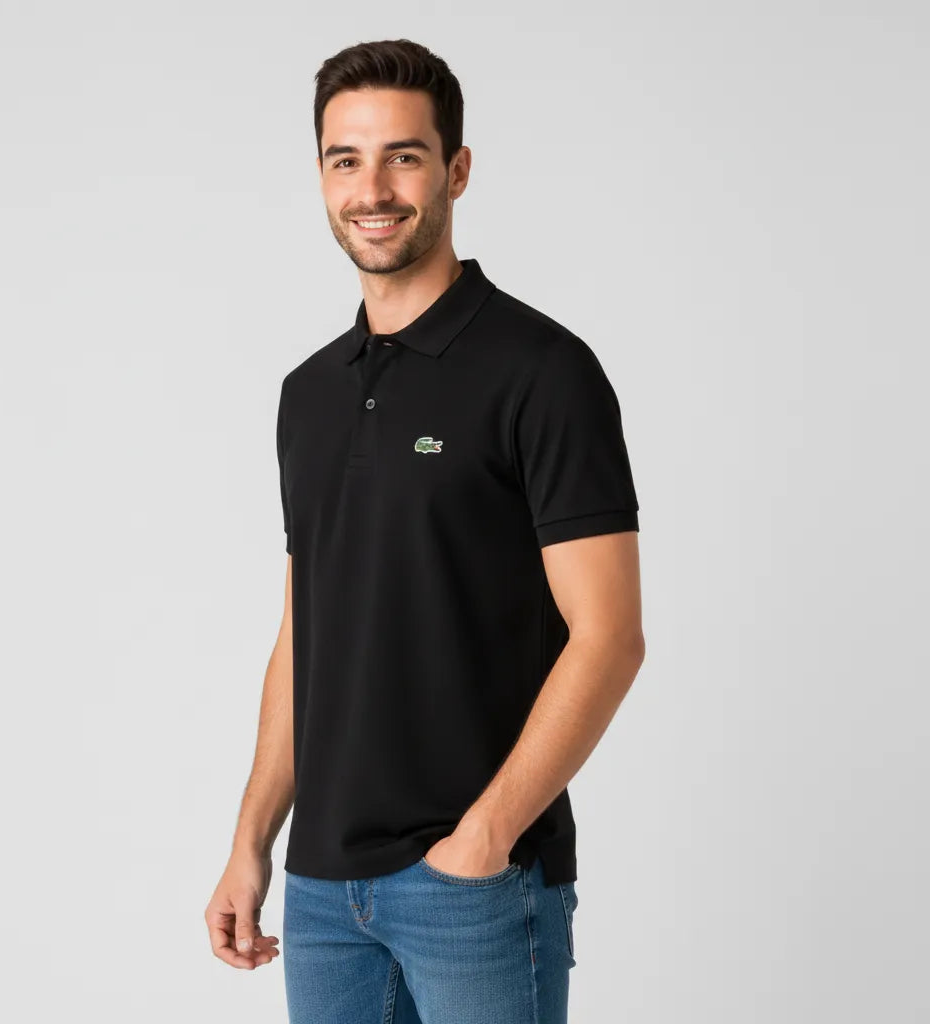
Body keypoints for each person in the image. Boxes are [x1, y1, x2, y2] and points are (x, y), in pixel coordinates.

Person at [205, 38, 646, 1023]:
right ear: (322, 175)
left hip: (476, 886)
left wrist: (484, 838)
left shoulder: (543, 371)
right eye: (345, 159)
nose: (372, 189)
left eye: (403, 156)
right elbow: (305, 633)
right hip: (322, 894)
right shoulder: (308, 394)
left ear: (456, 169)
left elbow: (610, 635)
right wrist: (252, 840)